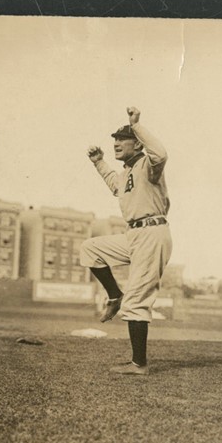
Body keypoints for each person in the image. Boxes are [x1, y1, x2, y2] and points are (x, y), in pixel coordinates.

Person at [79, 106, 171, 376]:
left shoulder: (149, 166)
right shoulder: (127, 171)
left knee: (137, 300)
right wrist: (99, 162)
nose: (116, 143)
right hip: (134, 234)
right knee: (90, 248)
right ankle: (114, 294)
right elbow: (115, 185)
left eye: (122, 139)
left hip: (152, 232)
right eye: (115, 139)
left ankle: (138, 364)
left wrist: (137, 124)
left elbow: (161, 153)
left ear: (137, 143)